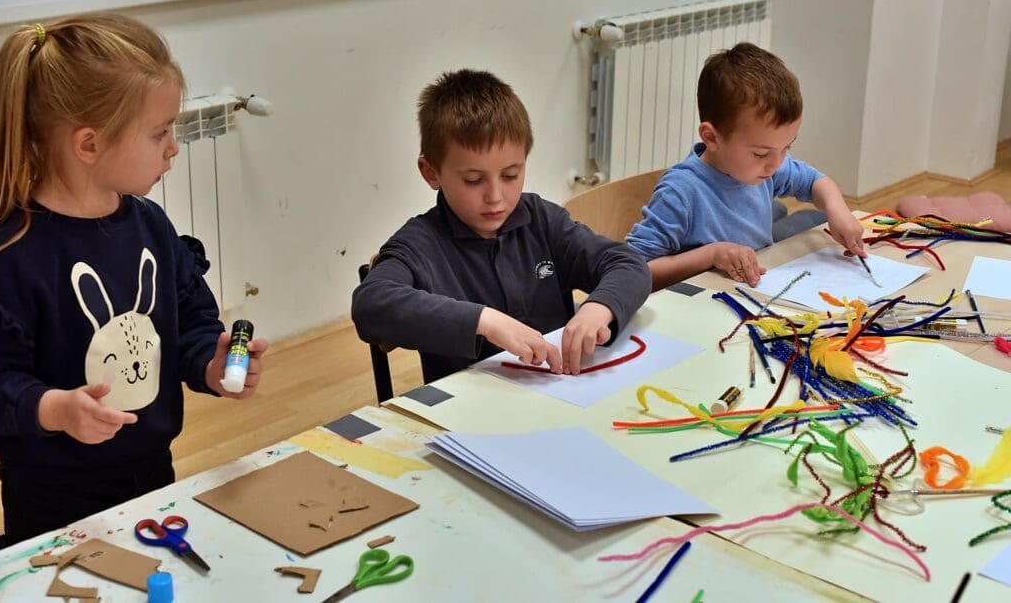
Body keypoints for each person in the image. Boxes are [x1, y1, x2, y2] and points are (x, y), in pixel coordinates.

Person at [0, 14, 268, 548]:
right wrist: (55, 408)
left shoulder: (151, 226)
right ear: (89, 145)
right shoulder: (8, 258)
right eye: (159, 132)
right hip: (52, 505)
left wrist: (210, 364)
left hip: (153, 477)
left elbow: (188, 322)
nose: (173, 147)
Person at [351, 69, 650, 382]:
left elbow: (627, 263)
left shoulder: (541, 220)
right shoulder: (419, 244)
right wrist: (485, 321)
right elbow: (371, 306)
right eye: (473, 180)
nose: (495, 197)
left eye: (510, 175)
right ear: (431, 172)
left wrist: (599, 307)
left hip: (560, 388)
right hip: (473, 402)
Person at [626, 42, 865, 290]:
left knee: (817, 219)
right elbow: (632, 270)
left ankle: (778, 211)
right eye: (761, 153)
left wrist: (838, 211)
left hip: (755, 286)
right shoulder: (680, 192)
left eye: (787, 147)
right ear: (711, 137)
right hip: (708, 301)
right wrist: (711, 255)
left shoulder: (767, 166)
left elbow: (814, 181)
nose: (776, 163)